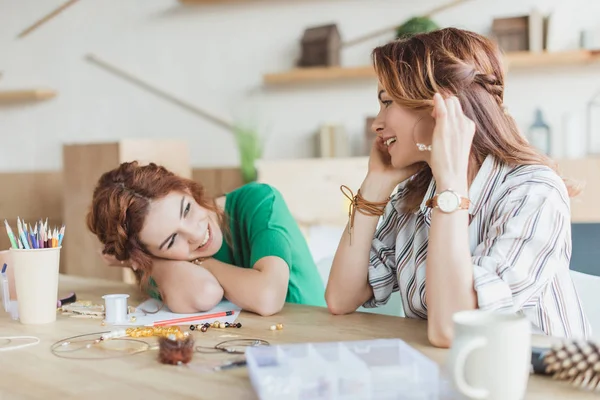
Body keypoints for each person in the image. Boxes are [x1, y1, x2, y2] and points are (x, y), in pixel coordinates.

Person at [325, 27, 590, 347]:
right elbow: (342, 296)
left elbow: (452, 330)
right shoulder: (417, 192)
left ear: (440, 107)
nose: (376, 124)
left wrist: (451, 186)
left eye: (387, 102)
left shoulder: (533, 193)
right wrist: (374, 186)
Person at [87, 161, 326, 316]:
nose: (196, 234)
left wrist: (201, 263)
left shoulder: (259, 201)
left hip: (318, 338)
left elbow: (268, 298)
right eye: (172, 240)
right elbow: (204, 292)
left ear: (186, 189)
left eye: (187, 209)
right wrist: (144, 263)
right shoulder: (159, 263)